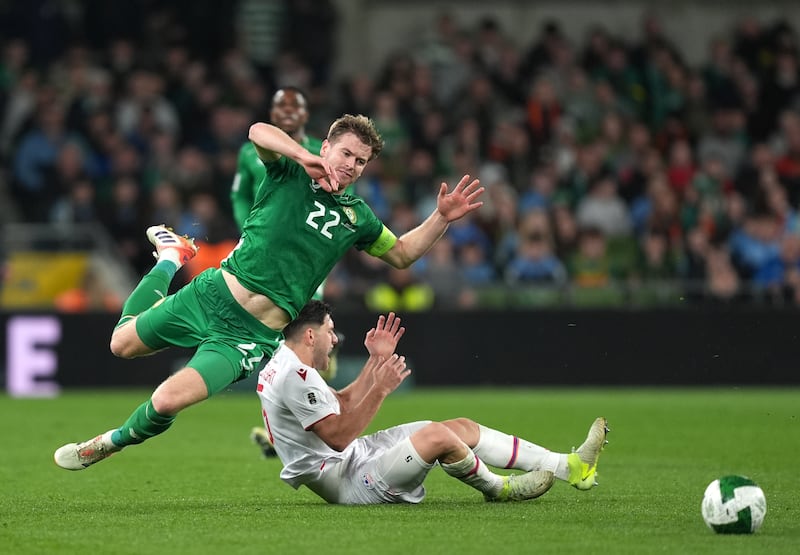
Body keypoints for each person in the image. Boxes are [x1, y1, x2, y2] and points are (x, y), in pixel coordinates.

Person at [53, 113, 485, 470]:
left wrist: (441, 217)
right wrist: (300, 155)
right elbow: (257, 131)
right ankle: (171, 256)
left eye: (361, 161)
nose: (351, 165)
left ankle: (110, 442)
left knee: (166, 400)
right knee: (120, 344)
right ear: (326, 148)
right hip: (211, 294)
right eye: (346, 153)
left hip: (248, 337)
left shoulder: (359, 219)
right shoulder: (288, 171)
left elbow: (405, 253)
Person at [257, 300, 610, 504]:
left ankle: (571, 466)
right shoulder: (295, 376)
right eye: (330, 331)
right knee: (439, 438)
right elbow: (338, 436)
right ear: (309, 334)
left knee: (461, 428)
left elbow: (342, 402)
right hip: (344, 480)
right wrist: (380, 389)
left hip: (350, 460)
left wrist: (375, 361)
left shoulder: (287, 364)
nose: (333, 340)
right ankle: (498, 489)